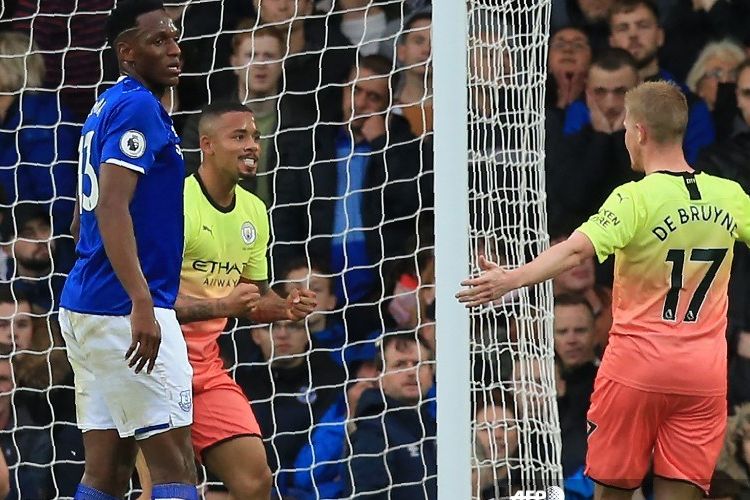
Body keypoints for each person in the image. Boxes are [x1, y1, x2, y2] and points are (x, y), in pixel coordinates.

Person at [458, 80, 749, 499]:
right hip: (702, 375)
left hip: (637, 370)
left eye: (628, 128)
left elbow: (576, 251)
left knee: (612, 494)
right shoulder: (731, 196)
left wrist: (511, 279)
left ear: (641, 132)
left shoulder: (634, 198)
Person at [58, 1, 199, 499]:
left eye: (174, 37)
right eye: (158, 40)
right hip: (125, 309)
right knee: (176, 466)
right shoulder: (139, 106)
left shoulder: (105, 106)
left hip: (87, 304)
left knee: (109, 472)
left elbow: (82, 215)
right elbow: (111, 207)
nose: (174, 48)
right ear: (127, 51)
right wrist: (141, 300)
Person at [173, 101, 317, 499]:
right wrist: (221, 307)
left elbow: (253, 299)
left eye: (254, 136)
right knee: (169, 486)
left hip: (204, 370)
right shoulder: (174, 204)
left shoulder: (254, 211)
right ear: (207, 145)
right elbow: (146, 302)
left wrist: (284, 307)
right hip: (152, 366)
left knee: (255, 482)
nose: (251, 145)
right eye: (238, 136)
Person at [348, 332, 436, 499]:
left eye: (418, 364)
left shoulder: (436, 427)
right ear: (380, 377)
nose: (411, 372)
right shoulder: (373, 431)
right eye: (400, 365)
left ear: (431, 373)